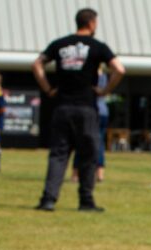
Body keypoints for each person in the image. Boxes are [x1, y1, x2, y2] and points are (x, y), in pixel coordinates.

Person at [32, 8, 124, 212]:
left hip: (62, 106)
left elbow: (37, 64)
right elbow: (119, 69)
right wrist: (104, 90)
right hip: (86, 107)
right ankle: (86, 201)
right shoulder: (97, 46)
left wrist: (48, 89)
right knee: (88, 154)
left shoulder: (60, 44)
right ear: (91, 23)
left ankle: (48, 200)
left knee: (58, 154)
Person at [72, 68, 109, 183]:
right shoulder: (104, 77)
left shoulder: (87, 73)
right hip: (103, 111)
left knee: (82, 141)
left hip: (90, 110)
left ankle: (76, 174)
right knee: (99, 143)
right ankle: (100, 173)